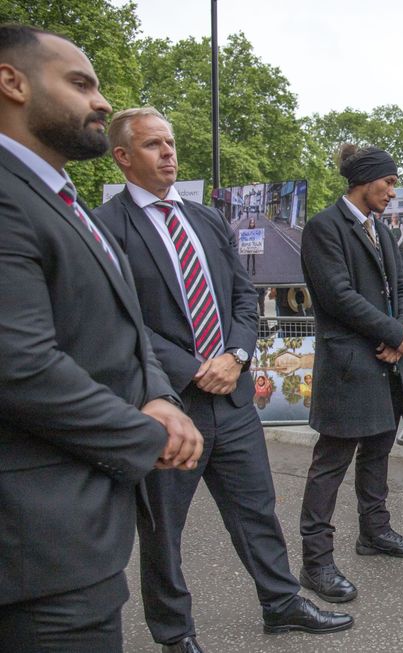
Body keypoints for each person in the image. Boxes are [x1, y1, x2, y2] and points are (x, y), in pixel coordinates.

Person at [96, 107, 351, 653]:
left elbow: (241, 294)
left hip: (232, 397)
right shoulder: (105, 228)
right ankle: (174, 632)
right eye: (152, 145)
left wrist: (235, 354)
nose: (169, 152)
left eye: (170, 142)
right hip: (166, 405)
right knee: (164, 530)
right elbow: (121, 321)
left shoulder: (207, 218)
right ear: (122, 157)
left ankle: (281, 604)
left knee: (256, 509)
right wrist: (192, 368)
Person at [0, 26, 204, 652]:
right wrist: (149, 435)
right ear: (13, 82)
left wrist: (159, 394)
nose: (102, 102)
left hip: (77, 539)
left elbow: (125, 323)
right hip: (40, 544)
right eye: (80, 83)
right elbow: (21, 365)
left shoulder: (63, 198)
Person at [299, 143, 403, 605]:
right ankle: (316, 563)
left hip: (386, 365)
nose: (393, 191)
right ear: (365, 181)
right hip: (351, 368)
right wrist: (395, 333)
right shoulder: (324, 228)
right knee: (330, 465)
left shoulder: (383, 231)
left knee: (377, 453)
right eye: (388, 182)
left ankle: (374, 533)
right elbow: (337, 296)